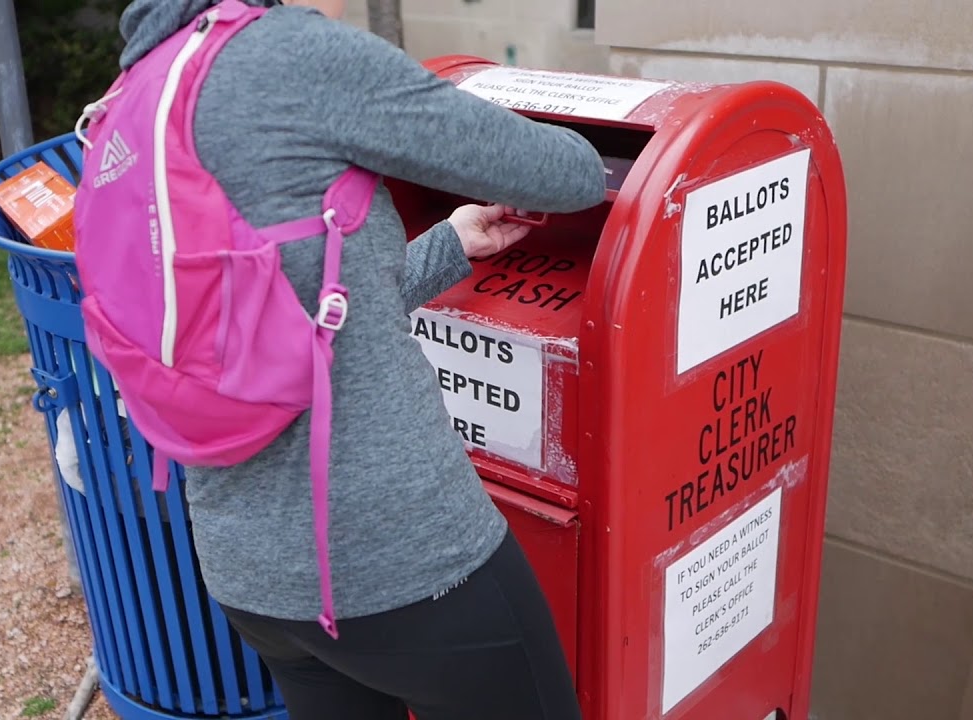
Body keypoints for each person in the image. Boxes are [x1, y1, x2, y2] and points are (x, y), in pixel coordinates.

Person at [113, 1, 607, 718]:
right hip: (400, 556)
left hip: (251, 573)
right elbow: (570, 174)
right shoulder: (297, 56)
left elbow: (281, 315)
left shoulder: (142, 87)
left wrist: (449, 244)